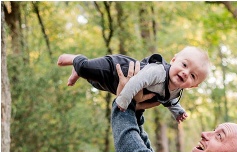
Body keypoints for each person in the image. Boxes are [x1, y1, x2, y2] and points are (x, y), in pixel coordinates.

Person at [58, 46, 210, 123]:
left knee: (95, 83)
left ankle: (79, 72)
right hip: (117, 68)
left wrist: (178, 112)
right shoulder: (158, 71)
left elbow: (170, 101)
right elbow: (136, 81)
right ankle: (76, 59)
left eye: (192, 75)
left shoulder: (177, 91)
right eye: (184, 65)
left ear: (193, 85)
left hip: (116, 86)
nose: (185, 72)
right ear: (173, 60)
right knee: (86, 68)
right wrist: (122, 101)